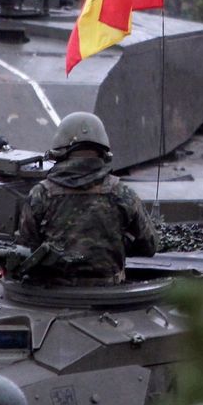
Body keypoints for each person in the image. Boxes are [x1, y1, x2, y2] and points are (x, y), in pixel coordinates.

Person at [14, 111, 159, 285]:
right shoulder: (123, 193)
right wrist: (118, 244)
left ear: (59, 152)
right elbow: (150, 245)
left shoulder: (41, 194)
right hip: (109, 295)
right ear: (103, 154)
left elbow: (26, 246)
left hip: (54, 294)